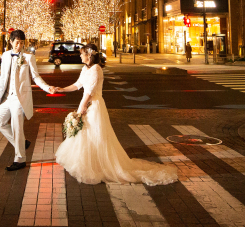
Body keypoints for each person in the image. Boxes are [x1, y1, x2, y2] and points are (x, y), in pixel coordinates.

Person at [52, 43, 179, 186]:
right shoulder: (85, 69)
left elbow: (90, 91)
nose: (80, 55)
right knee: (86, 134)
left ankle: (100, 166)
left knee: (96, 135)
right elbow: (77, 85)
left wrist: (82, 106)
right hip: (86, 105)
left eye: (82, 53)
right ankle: (91, 164)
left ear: (89, 55)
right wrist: (62, 89)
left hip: (94, 106)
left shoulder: (96, 69)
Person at [0, 29, 56, 171]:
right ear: (11, 42)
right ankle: (22, 143)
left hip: (19, 98)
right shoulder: (5, 56)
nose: (19, 46)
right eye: (17, 43)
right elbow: (3, 78)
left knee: (17, 127)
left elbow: (36, 77)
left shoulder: (28, 57)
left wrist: (48, 88)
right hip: (6, 97)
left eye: (21, 43)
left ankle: (20, 159)